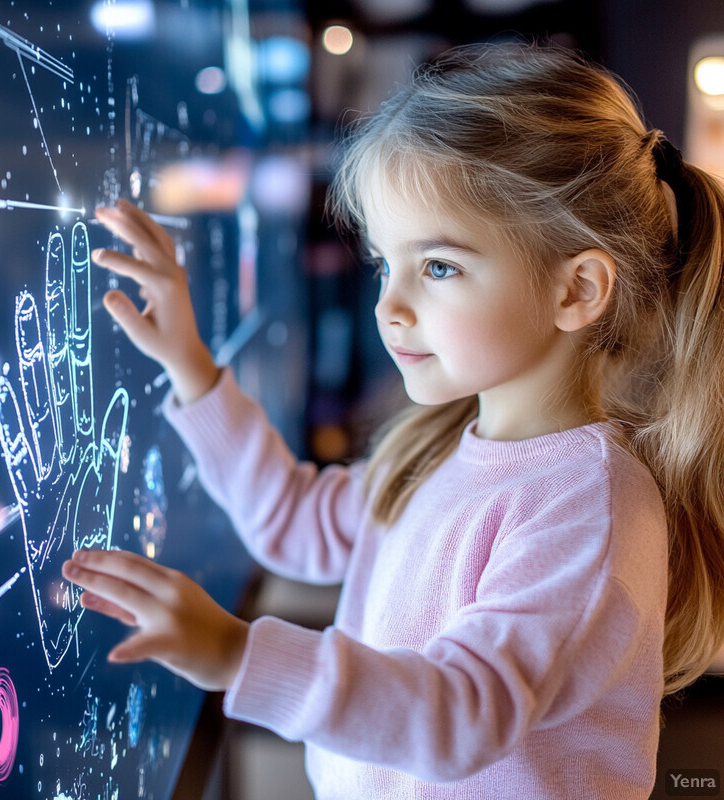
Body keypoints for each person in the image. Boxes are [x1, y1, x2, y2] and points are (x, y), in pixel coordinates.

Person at [62, 39, 724, 800]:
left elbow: (464, 712)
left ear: (577, 291)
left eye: (438, 267)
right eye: (385, 263)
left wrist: (241, 657)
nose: (389, 305)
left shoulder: (588, 505)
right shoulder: (441, 449)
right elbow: (295, 521)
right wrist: (191, 365)